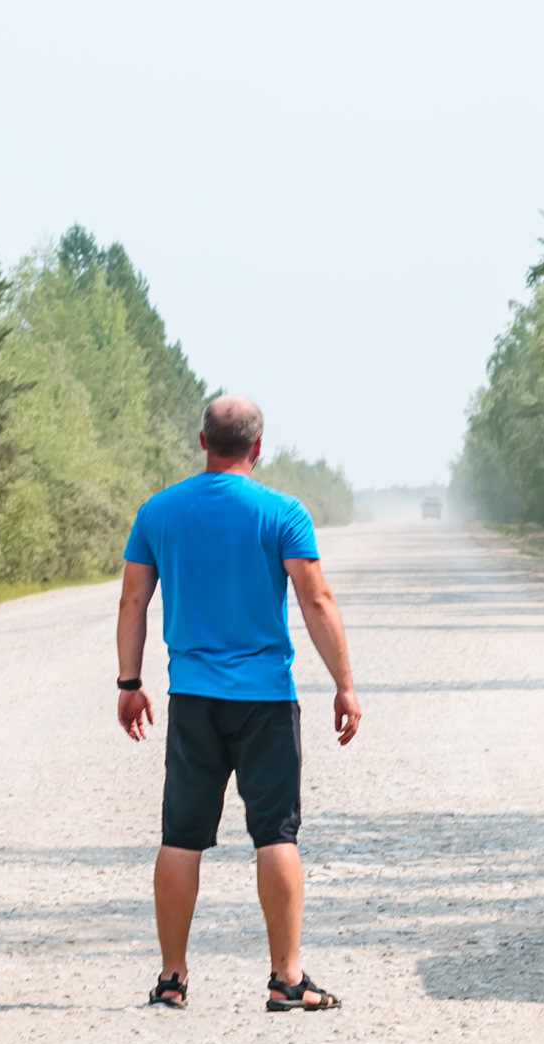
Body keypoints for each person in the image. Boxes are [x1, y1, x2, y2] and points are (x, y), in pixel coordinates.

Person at [114, 395, 362, 1012]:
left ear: (202, 441)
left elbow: (132, 603)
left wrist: (128, 683)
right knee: (275, 835)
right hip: (265, 702)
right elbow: (317, 600)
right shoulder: (282, 513)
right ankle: (287, 980)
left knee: (180, 837)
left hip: (192, 699)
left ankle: (172, 980)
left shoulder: (158, 512)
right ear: (257, 447)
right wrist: (345, 684)